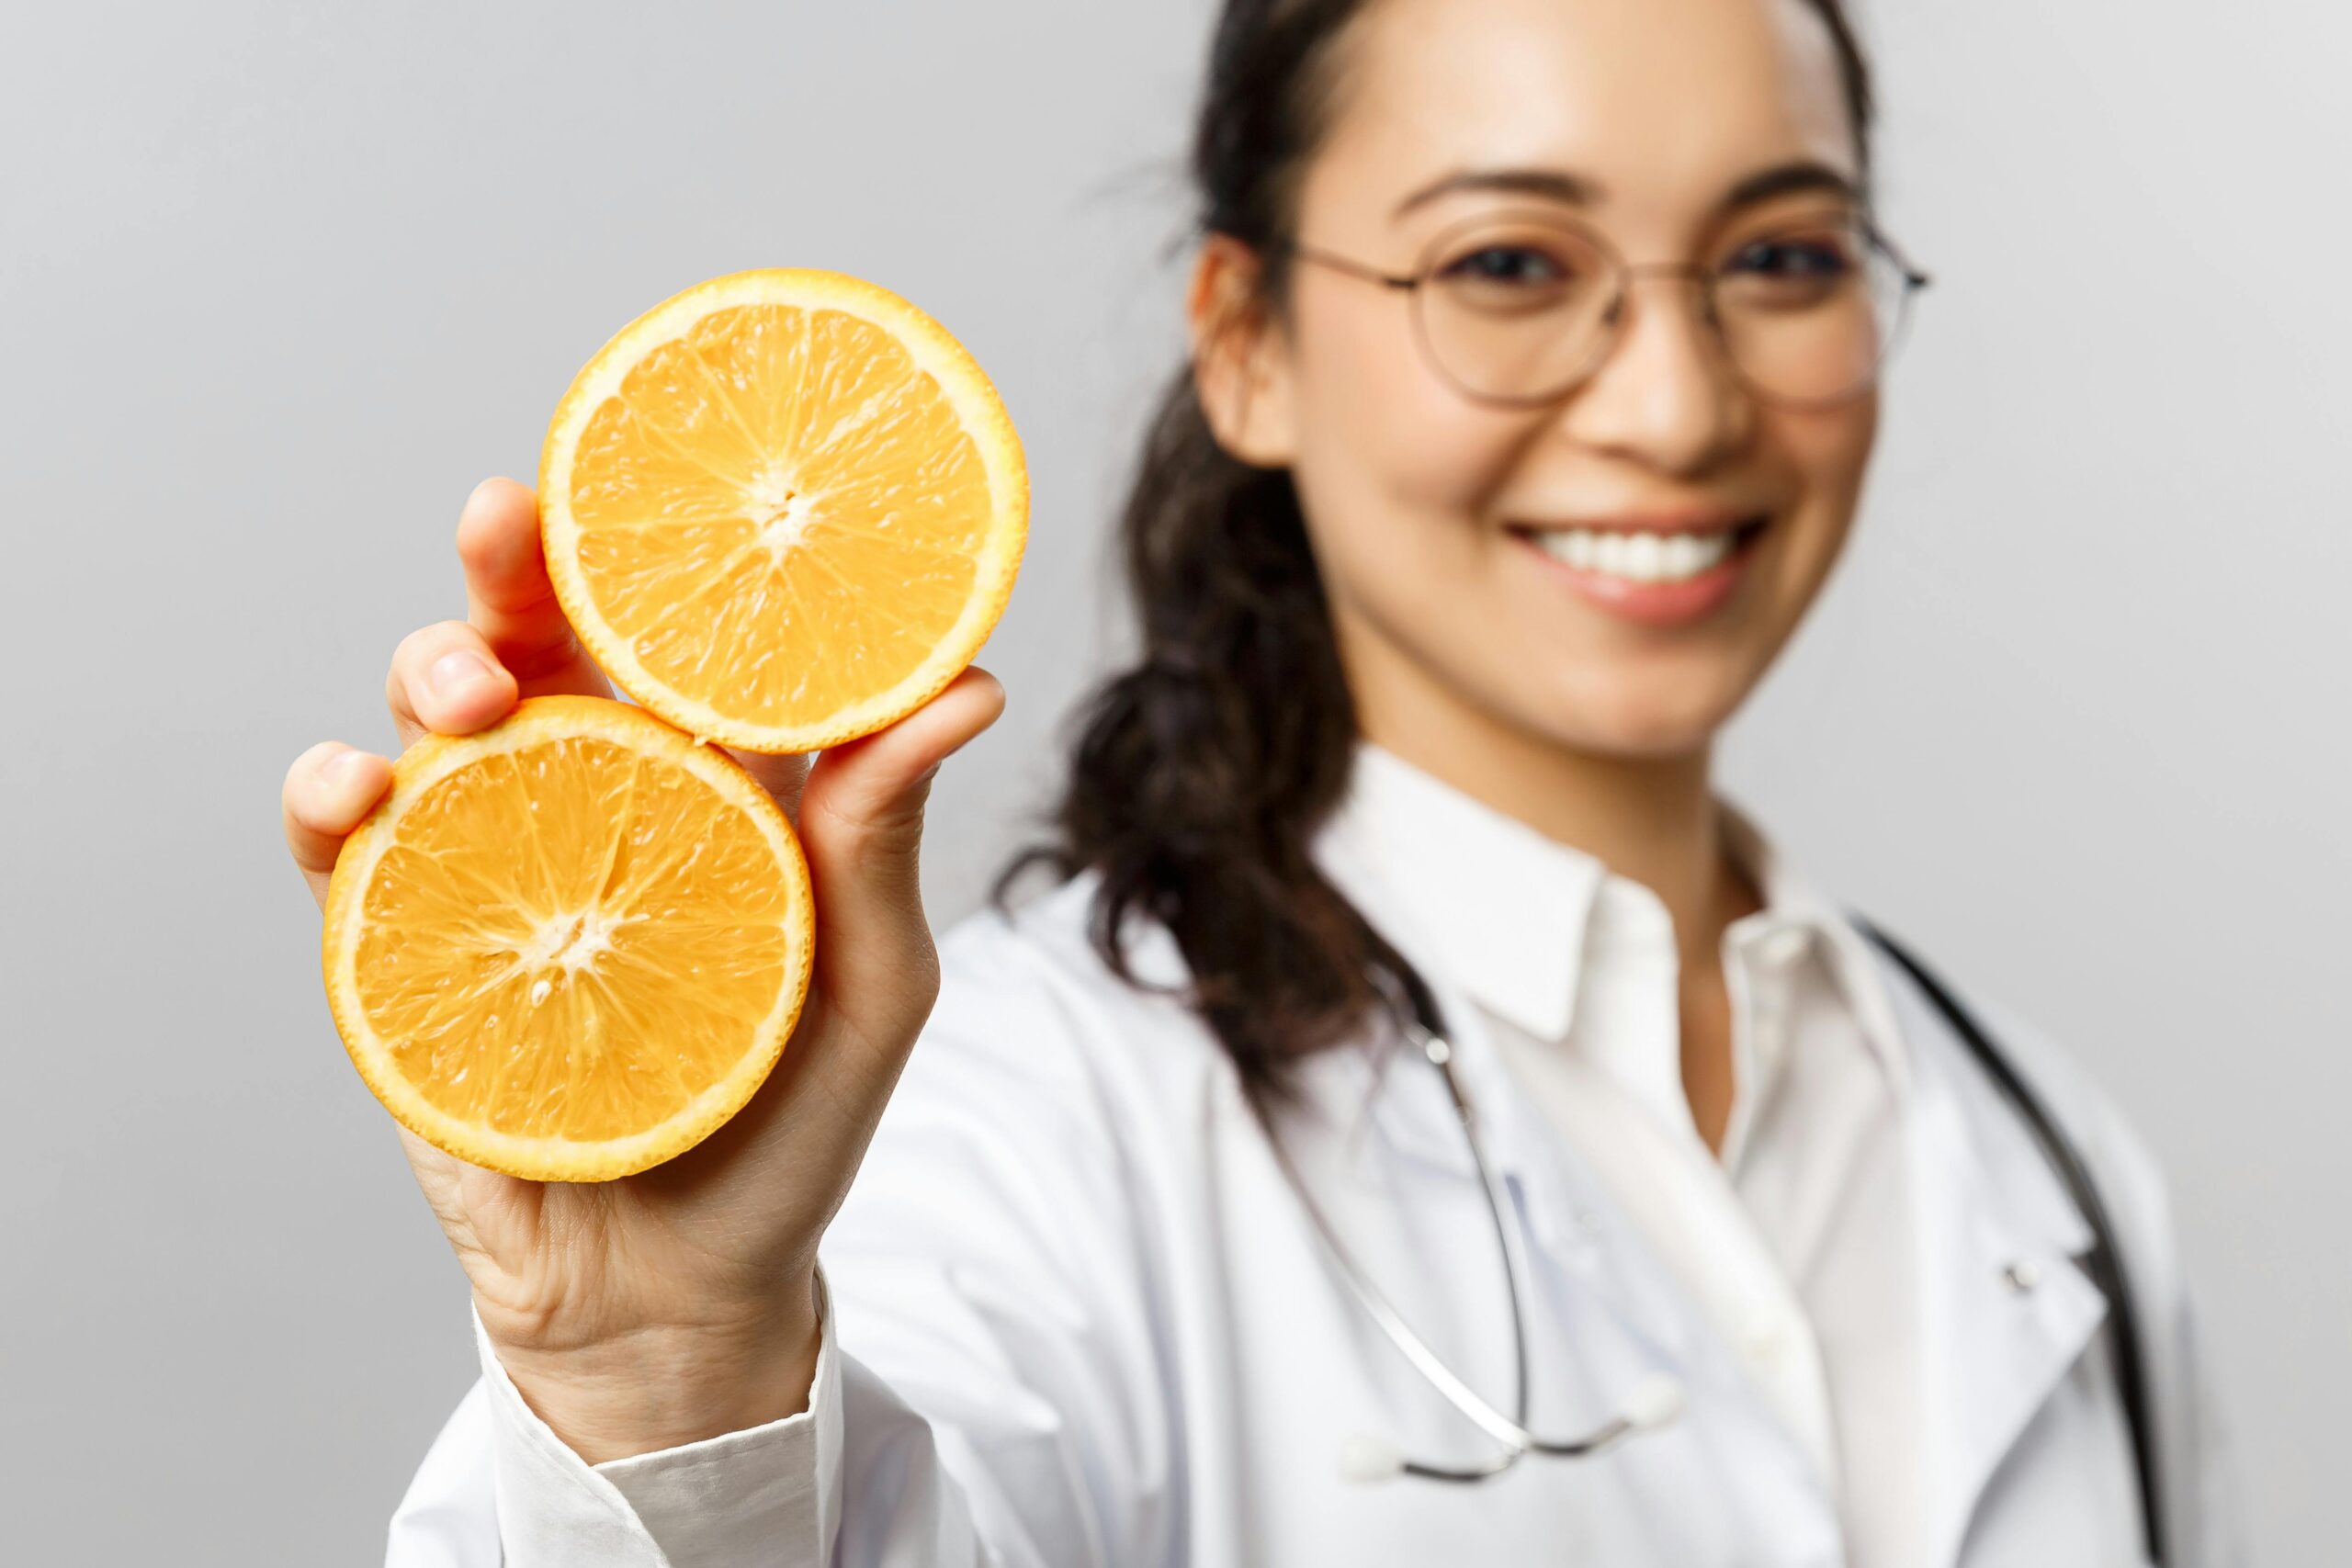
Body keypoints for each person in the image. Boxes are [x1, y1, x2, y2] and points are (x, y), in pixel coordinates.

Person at [280, 0, 2246, 1562]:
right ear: (1244, 345)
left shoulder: (2034, 1154)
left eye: (1782, 252)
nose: (1673, 402)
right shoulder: (1031, 1123)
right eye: (1502, 260)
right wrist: (665, 1368)